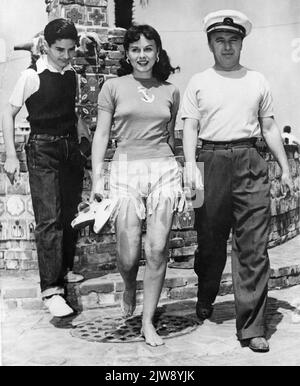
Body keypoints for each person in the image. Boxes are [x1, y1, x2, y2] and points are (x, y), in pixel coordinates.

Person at [181, 10, 293, 352]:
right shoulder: (199, 81)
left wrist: (285, 168)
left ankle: (252, 327)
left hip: (250, 160)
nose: (226, 46)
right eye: (220, 40)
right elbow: (190, 127)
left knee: (253, 247)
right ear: (210, 44)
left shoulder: (257, 80)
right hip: (209, 162)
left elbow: (270, 127)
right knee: (209, 240)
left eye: (233, 40)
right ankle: (206, 295)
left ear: (242, 43)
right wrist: (189, 164)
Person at [91, 24, 183, 346]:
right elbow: (102, 135)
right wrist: (97, 178)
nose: (142, 55)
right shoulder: (112, 87)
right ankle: (129, 285)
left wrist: (184, 173)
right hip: (125, 169)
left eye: (148, 49)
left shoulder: (171, 90)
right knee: (128, 257)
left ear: (157, 52)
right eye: (135, 49)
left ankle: (147, 322)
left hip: (163, 168)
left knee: (157, 249)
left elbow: (170, 136)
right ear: (127, 54)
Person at [2, 18, 90, 317]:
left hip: (69, 150)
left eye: (70, 50)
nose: (65, 55)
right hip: (42, 150)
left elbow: (69, 110)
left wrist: (81, 132)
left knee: (68, 215)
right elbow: (8, 112)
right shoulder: (31, 75)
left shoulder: (72, 74)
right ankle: (51, 290)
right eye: (59, 49)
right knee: (48, 218)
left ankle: (63, 270)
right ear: (46, 46)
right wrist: (12, 155)